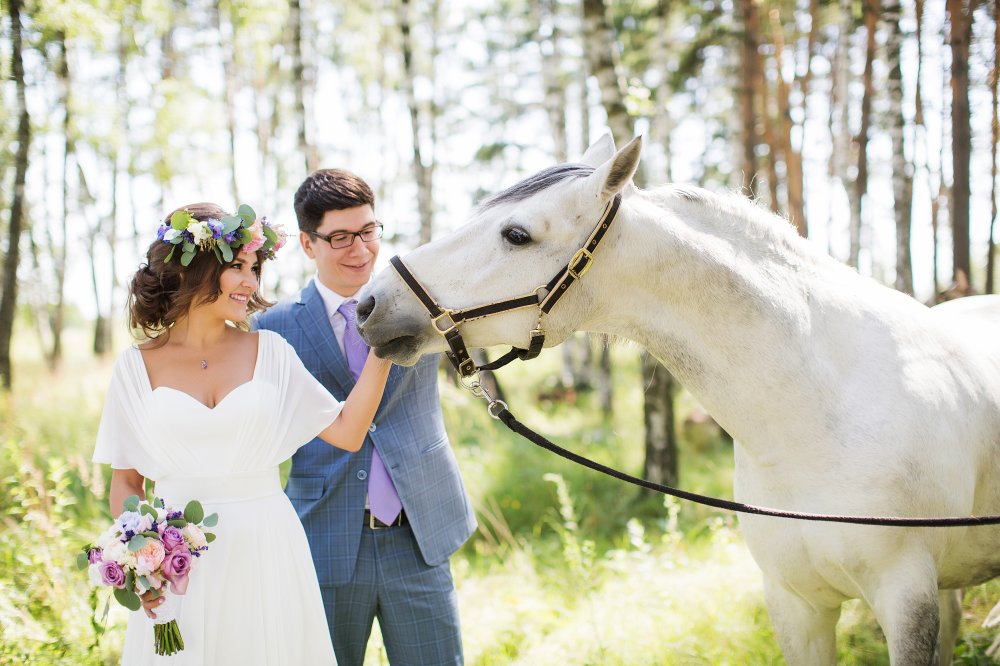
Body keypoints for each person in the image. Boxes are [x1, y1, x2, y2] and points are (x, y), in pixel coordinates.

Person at [93, 202, 392, 665]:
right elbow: (127, 483)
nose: (251, 283)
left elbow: (348, 431)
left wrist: (386, 346)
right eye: (237, 267)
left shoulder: (271, 352)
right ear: (194, 266)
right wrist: (141, 567)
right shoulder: (134, 367)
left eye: (254, 269)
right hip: (179, 566)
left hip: (267, 546)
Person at [254, 169, 476, 665]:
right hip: (323, 541)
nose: (360, 249)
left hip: (417, 536)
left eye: (368, 231)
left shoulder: (421, 306)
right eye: (340, 238)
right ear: (308, 246)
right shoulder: (271, 329)